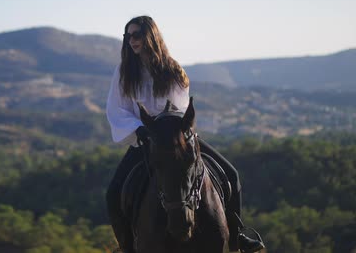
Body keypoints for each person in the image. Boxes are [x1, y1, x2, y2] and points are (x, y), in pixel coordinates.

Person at [105, 15, 265, 253]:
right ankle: (128, 246)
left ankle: (237, 236)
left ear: (150, 35)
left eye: (136, 35)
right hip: (144, 140)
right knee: (113, 193)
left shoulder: (172, 68)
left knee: (231, 175)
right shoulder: (124, 72)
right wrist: (139, 128)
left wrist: (170, 129)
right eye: (127, 36)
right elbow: (116, 108)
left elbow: (180, 109)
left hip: (177, 138)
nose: (131, 41)